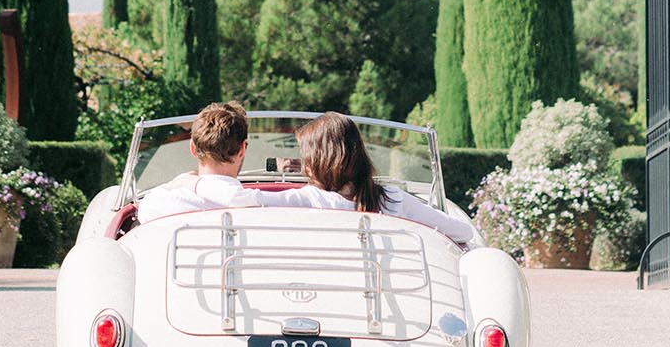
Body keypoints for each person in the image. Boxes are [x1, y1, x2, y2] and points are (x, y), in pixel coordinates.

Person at [136, 101, 353, 223]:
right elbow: (342, 204)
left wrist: (187, 183)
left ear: (192, 149)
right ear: (242, 149)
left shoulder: (157, 204)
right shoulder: (273, 203)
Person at [295, 112, 474, 245]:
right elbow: (463, 232)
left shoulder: (310, 198)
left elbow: (266, 200)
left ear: (317, 163)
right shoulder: (393, 198)